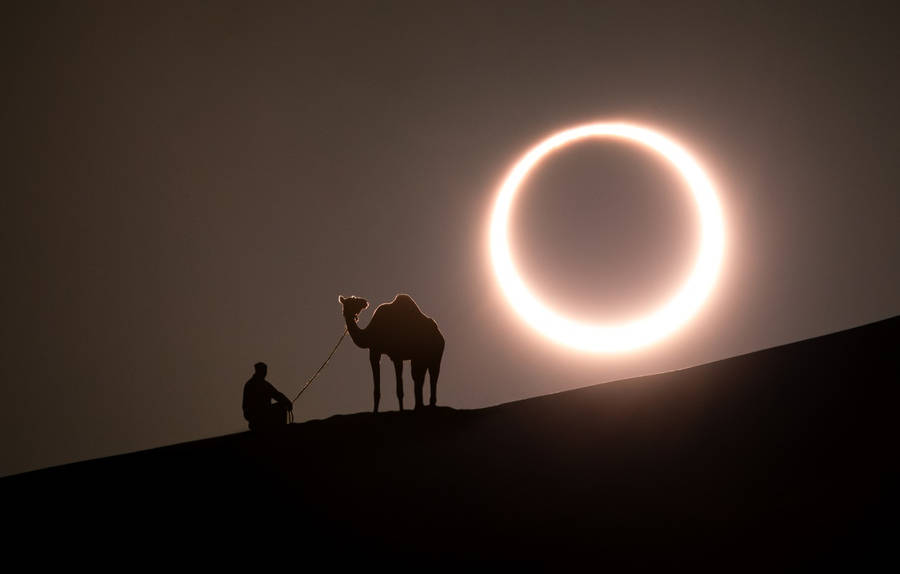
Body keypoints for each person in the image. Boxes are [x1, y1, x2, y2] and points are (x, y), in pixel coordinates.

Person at [242, 362, 292, 431]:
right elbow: (276, 395)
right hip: (257, 416)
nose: (265, 373)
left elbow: (276, 394)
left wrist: (287, 402)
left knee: (281, 405)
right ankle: (281, 430)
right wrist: (287, 402)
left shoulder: (259, 384)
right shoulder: (260, 385)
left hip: (257, 415)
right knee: (281, 407)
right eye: (264, 370)